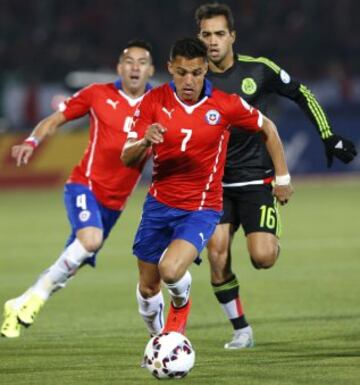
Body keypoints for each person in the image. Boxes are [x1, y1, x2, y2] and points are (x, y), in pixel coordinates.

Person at [194, 3, 358, 349]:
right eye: (206, 34)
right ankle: (241, 329)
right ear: (199, 37)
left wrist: (327, 135)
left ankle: (268, 235)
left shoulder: (259, 70)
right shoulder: (193, 78)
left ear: (232, 37)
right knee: (217, 252)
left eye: (219, 34)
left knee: (262, 258)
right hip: (215, 185)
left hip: (256, 180)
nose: (213, 41)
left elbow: (302, 93)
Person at [121, 37, 293, 339]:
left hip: (201, 208)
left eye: (197, 73)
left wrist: (282, 177)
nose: (189, 81)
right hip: (158, 205)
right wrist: (145, 140)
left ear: (205, 71)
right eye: (182, 72)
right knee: (148, 288)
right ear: (170, 69)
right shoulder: (153, 101)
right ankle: (158, 342)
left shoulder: (225, 105)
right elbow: (127, 157)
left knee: (171, 271)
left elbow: (268, 127)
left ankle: (181, 304)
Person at [1, 40, 155, 338]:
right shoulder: (98, 94)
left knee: (73, 261)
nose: (135, 67)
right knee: (90, 239)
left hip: (115, 204)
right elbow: (57, 119)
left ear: (150, 70)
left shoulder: (160, 104)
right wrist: (32, 141)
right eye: (129, 61)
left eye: (142, 62)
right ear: (119, 68)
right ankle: (36, 298)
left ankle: (20, 302)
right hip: (84, 186)